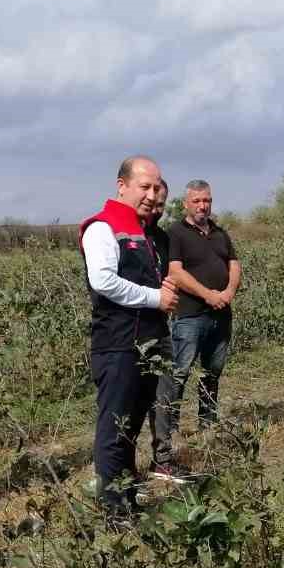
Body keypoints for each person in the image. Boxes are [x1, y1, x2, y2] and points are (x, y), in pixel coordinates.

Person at [80, 155, 178, 518]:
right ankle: (114, 511)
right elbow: (103, 281)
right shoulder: (103, 228)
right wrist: (157, 297)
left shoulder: (144, 232)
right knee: (114, 429)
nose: (152, 195)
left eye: (156, 187)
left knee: (131, 427)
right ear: (122, 186)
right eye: (144, 187)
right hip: (118, 344)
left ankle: (126, 495)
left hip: (148, 345)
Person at [154, 179, 241, 481]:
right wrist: (208, 294)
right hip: (190, 315)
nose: (203, 206)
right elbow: (175, 272)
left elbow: (233, 263)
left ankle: (207, 421)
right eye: (197, 201)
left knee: (212, 371)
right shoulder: (175, 233)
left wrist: (228, 291)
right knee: (180, 372)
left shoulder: (219, 232)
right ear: (186, 203)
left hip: (221, 314)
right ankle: (172, 427)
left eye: (207, 200)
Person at [143, 179, 176, 478]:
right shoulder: (123, 235)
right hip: (131, 331)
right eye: (152, 200)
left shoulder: (162, 238)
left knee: (164, 395)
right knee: (130, 399)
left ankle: (162, 459)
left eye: (161, 202)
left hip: (160, 328)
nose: (156, 206)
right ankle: (121, 469)